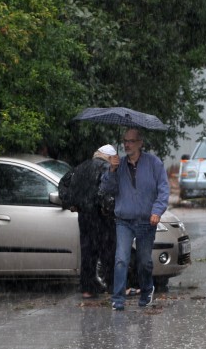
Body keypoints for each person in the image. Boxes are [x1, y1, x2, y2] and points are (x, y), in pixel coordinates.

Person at [101, 128, 170, 310]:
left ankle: (147, 291)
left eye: (131, 141)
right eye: (125, 141)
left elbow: (163, 189)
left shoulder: (154, 163)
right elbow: (108, 189)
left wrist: (157, 210)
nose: (127, 144)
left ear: (140, 143)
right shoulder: (119, 165)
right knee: (121, 259)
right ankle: (118, 299)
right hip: (124, 220)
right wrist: (112, 170)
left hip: (147, 221)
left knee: (144, 261)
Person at [68, 144, 118, 299]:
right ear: (109, 157)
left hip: (84, 217)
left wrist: (73, 203)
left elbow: (65, 185)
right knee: (108, 252)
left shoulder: (80, 167)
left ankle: (87, 288)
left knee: (88, 252)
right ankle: (113, 286)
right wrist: (107, 207)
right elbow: (104, 191)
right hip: (102, 217)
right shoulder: (106, 168)